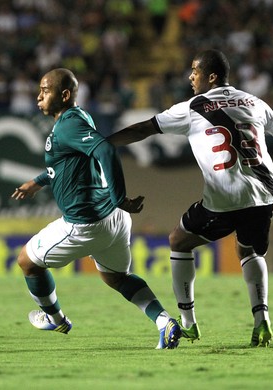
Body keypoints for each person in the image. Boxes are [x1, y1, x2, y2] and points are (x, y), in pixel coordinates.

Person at [107, 49, 273, 347]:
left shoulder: (193, 107)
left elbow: (145, 128)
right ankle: (262, 322)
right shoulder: (254, 102)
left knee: (178, 241)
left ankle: (189, 323)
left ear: (212, 76)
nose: (190, 76)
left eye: (195, 71)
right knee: (249, 252)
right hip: (263, 193)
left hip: (224, 197)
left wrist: (105, 144)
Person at [12, 68, 182, 349]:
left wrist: (119, 196)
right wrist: (39, 181)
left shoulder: (68, 125)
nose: (39, 95)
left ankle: (55, 317)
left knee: (27, 261)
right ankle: (164, 322)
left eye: (45, 89)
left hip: (85, 223)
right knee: (117, 277)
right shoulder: (79, 118)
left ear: (64, 95)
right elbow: (71, 163)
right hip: (114, 220)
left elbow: (104, 150)